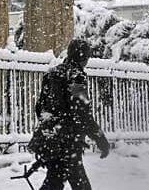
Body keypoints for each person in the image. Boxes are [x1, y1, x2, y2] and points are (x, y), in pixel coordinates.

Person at [27, 39, 110, 190]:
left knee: (55, 181)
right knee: (77, 184)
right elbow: (81, 113)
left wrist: (50, 126)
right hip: (66, 142)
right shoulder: (76, 76)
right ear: (83, 57)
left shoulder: (52, 74)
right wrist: (100, 138)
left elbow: (40, 107)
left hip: (50, 138)